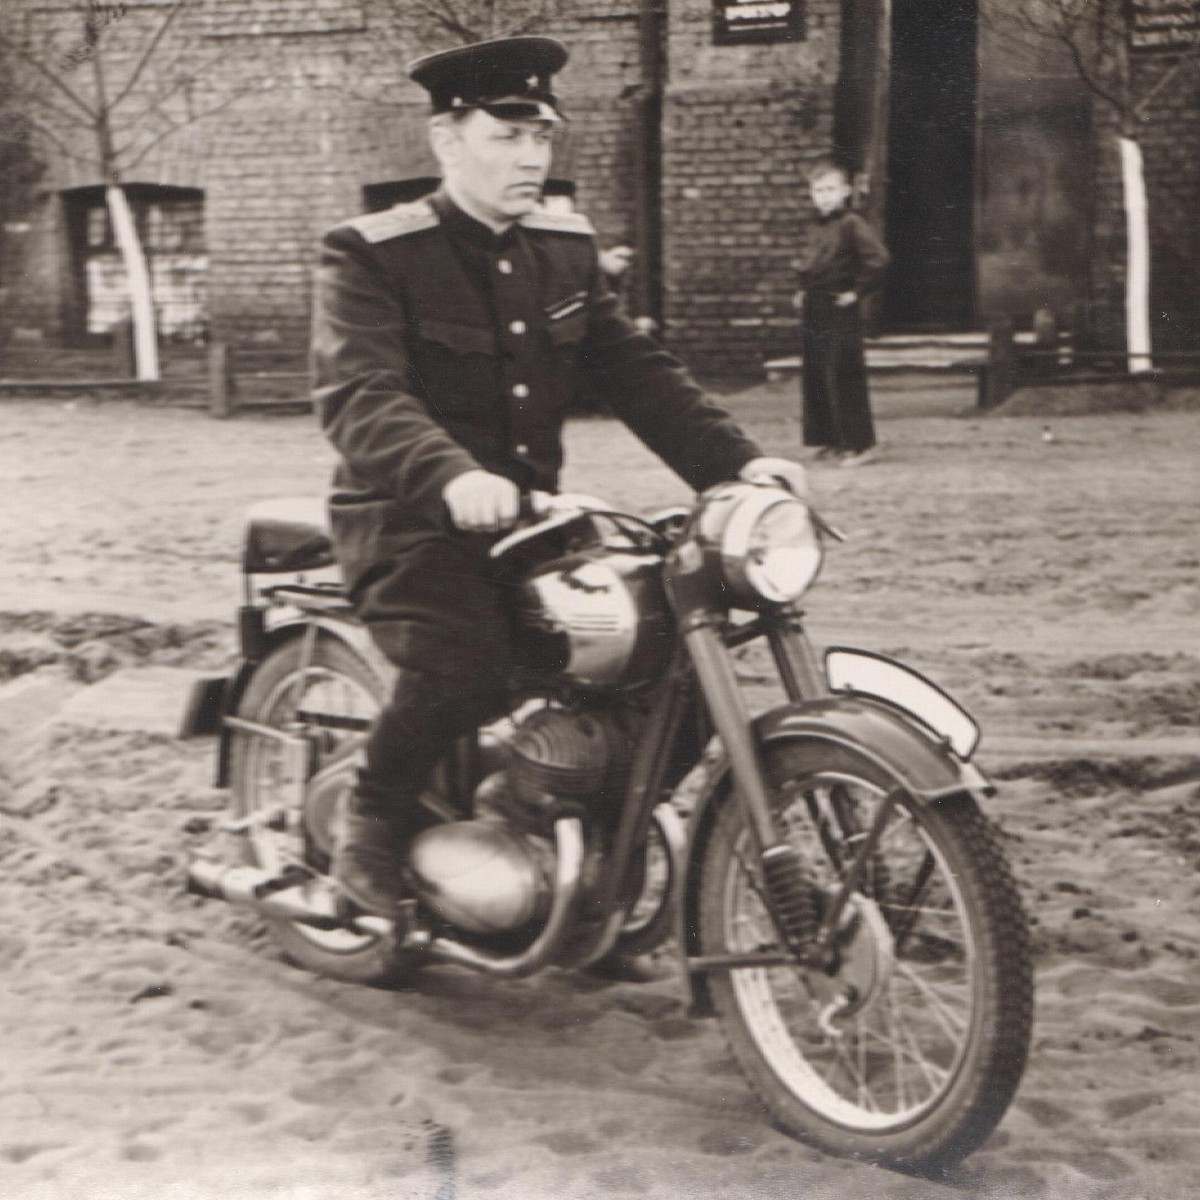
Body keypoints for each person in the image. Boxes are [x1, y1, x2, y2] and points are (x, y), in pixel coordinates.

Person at [311, 35, 807, 927]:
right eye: (508, 137)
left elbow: (637, 372)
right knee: (462, 664)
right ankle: (370, 823)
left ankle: (543, 823)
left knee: (671, 666)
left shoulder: (561, 248)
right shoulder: (374, 254)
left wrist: (736, 463)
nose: (533, 157)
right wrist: (451, 476)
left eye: (543, 136)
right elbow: (362, 396)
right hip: (407, 521)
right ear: (446, 139)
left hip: (533, 525)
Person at [792, 160, 890, 467]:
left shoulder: (852, 224)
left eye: (831, 189)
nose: (824, 196)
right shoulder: (816, 227)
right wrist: (802, 289)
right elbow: (812, 263)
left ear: (846, 191)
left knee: (843, 372)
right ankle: (832, 439)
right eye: (818, 190)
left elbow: (878, 260)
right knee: (818, 373)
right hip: (815, 306)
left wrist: (856, 292)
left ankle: (861, 445)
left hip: (839, 306)